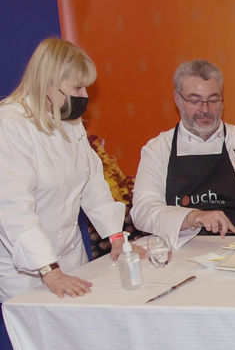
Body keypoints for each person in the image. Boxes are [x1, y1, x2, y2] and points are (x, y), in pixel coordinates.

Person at [0, 38, 137, 303]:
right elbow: (13, 210)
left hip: (71, 259)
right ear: (48, 84)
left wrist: (117, 237)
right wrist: (50, 272)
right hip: (26, 270)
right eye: (77, 87)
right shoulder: (10, 125)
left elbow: (93, 185)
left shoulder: (69, 122)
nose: (84, 95)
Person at [131, 59, 235, 248]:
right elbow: (142, 211)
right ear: (177, 99)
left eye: (213, 100)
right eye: (195, 101)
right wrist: (193, 216)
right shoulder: (157, 149)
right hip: (181, 252)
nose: (205, 109)